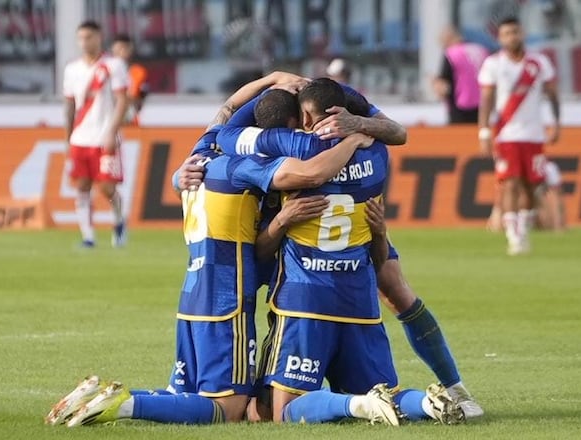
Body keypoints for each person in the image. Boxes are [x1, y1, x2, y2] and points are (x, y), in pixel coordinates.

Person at [46, 72, 393, 427]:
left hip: (192, 296)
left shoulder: (202, 149)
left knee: (188, 394)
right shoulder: (244, 166)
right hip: (228, 300)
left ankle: (99, 395)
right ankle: (125, 404)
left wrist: (269, 80)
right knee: (229, 410)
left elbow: (228, 107)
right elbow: (307, 175)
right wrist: (352, 141)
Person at [218, 83, 483, 421]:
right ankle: (444, 395)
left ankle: (341, 399)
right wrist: (360, 132)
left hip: (306, 291)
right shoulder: (376, 152)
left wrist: (270, 84)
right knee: (393, 289)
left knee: (273, 410)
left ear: (307, 115)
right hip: (358, 259)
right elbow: (396, 133)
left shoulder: (294, 145)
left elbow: (228, 136)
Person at [478, 16, 560, 255]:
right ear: (500, 38)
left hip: (534, 134)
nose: (511, 37)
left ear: (522, 33)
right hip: (506, 134)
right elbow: (486, 100)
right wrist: (484, 131)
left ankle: (523, 228)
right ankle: (513, 235)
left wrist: (555, 123)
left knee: (533, 185)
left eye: (515, 32)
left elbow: (553, 94)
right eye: (506, 34)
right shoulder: (493, 64)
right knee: (510, 183)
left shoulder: (539, 63)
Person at [63, 21, 129, 248]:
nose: (85, 42)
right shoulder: (72, 69)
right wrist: (68, 137)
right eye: (81, 38)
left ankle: (119, 220)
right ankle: (88, 237)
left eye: (89, 37)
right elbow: (70, 105)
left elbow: (123, 100)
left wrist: (112, 131)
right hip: (80, 138)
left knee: (107, 188)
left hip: (104, 137)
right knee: (82, 185)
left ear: (99, 37)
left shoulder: (113, 65)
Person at [433, 26, 488, 124]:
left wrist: (435, 85)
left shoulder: (452, 53)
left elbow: (443, 84)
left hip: (460, 105)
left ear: (448, 39)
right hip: (483, 104)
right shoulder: (482, 50)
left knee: (459, 137)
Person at [111, 34, 149, 126]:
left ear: (130, 49)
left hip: (131, 121)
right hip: (108, 120)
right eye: (118, 49)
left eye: (124, 48)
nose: (121, 52)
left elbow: (139, 97)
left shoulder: (138, 72)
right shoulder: (105, 71)